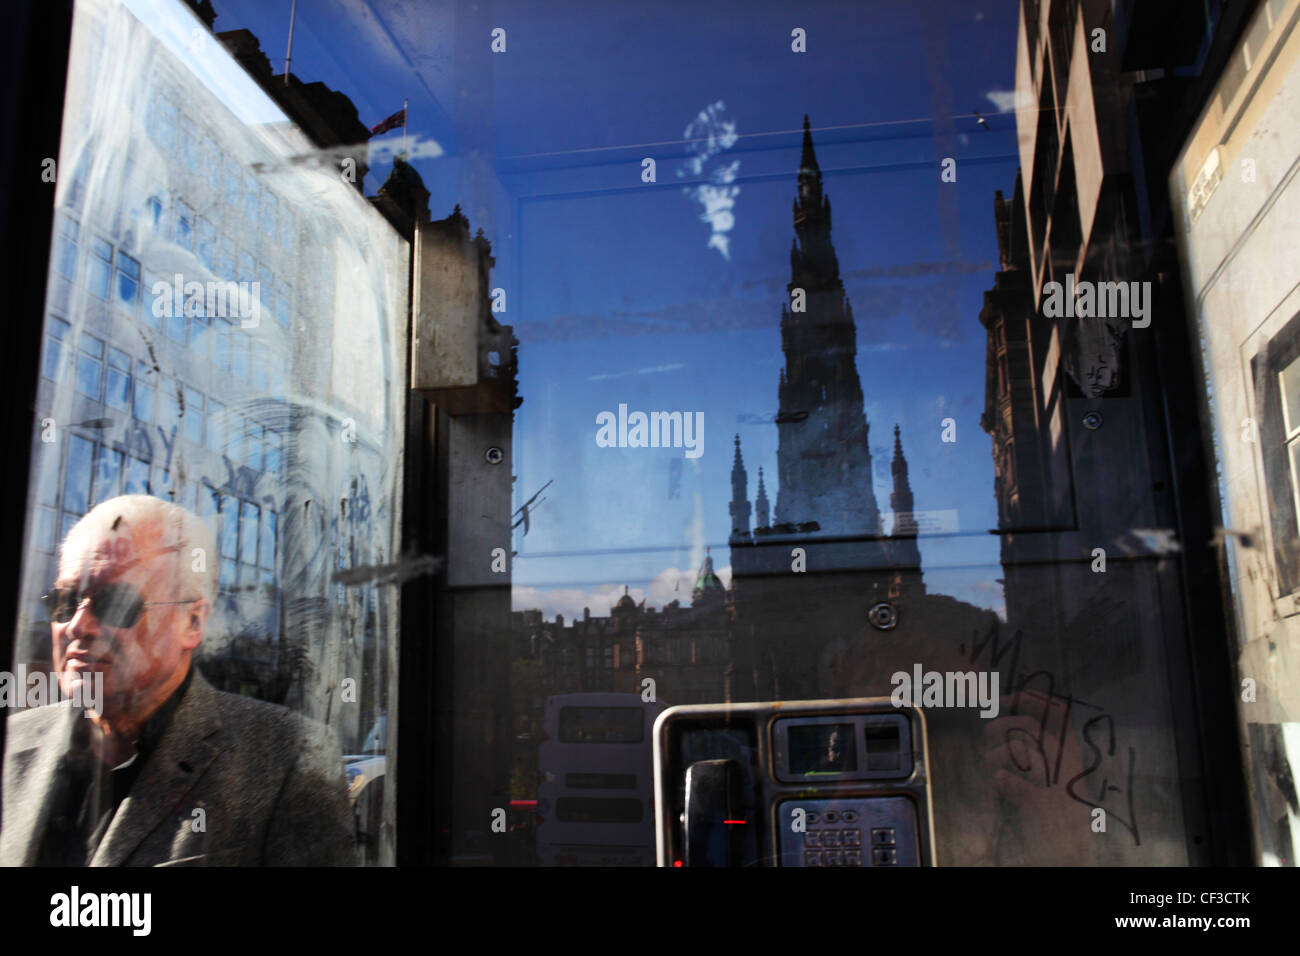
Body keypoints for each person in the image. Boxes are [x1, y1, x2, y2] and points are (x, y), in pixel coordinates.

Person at [0, 495, 356, 865]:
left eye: (116, 604)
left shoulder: (287, 759)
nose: (77, 626)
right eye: (66, 601)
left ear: (193, 622)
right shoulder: (14, 743)